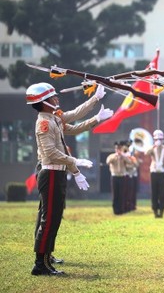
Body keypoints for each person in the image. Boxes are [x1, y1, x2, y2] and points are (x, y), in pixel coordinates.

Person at [27, 82, 112, 276]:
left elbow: (74, 117)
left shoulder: (53, 118)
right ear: (45, 102)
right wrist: (75, 163)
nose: (57, 99)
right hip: (50, 172)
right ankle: (40, 263)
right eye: (53, 97)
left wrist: (95, 105)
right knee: (48, 219)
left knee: (53, 217)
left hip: (57, 172)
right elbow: (50, 152)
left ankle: (46, 257)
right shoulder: (44, 122)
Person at [146, 129, 164, 218]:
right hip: (154, 172)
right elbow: (146, 153)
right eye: (156, 139)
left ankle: (161, 210)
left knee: (162, 192)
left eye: (160, 139)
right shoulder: (152, 148)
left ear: (163, 140)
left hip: (162, 172)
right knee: (154, 192)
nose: (159, 141)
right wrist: (153, 146)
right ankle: (155, 210)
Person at [106, 140, 135, 215]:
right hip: (115, 176)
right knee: (115, 193)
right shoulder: (112, 156)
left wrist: (123, 156)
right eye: (117, 149)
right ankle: (115, 209)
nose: (118, 150)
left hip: (122, 176)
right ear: (115, 149)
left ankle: (121, 209)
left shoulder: (124, 157)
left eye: (119, 148)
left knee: (122, 193)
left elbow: (130, 162)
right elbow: (108, 161)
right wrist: (115, 156)